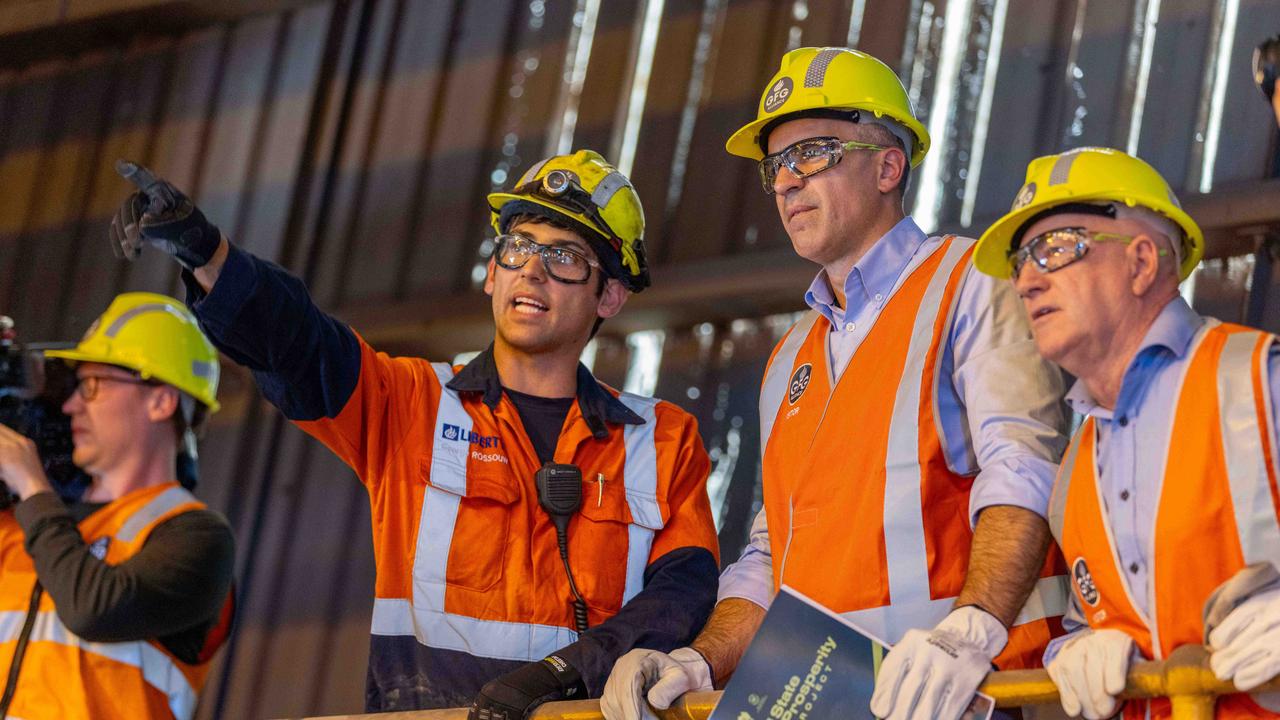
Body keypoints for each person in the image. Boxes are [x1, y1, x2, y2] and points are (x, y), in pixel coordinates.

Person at [107, 150, 720, 716]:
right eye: (518, 247)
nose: (530, 270)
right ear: (491, 275)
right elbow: (299, 344)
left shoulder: (661, 439)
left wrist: (561, 675)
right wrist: (206, 253)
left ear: (609, 294)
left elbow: (682, 595)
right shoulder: (411, 404)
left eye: (563, 256)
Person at [603, 46, 1070, 720]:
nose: (786, 182)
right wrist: (698, 659)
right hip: (832, 703)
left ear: (888, 166)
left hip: (969, 696)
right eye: (776, 165)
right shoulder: (791, 354)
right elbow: (771, 555)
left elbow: (1023, 468)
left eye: (813, 153)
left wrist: (971, 632)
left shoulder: (972, 283)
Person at [972, 145, 1280, 719]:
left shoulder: (1259, 380)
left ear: (1140, 263)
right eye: (1020, 262)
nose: (1026, 282)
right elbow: (1095, 620)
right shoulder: (1078, 465)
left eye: (1055, 248)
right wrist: (1076, 647)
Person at [0, 292, 235, 720]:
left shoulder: (195, 537)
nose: (71, 404)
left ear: (160, 401)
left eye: (92, 385)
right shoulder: (22, 522)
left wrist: (32, 485)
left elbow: (93, 609)